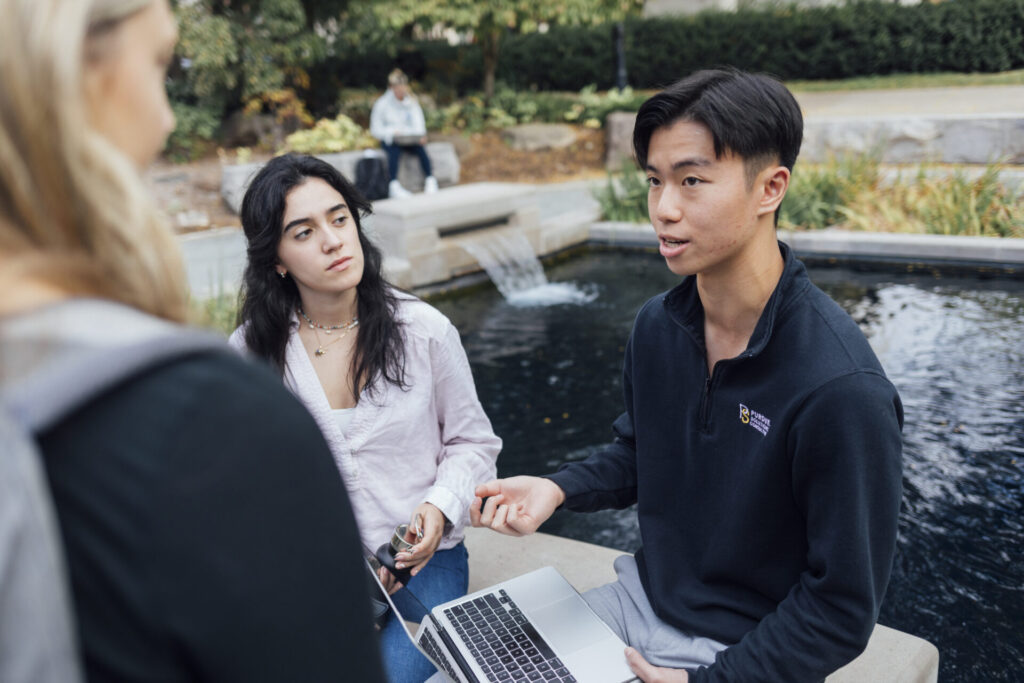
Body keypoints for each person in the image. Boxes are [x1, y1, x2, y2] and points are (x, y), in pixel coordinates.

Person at [471, 69, 904, 683]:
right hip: (636, 603)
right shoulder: (659, 326)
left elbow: (840, 607)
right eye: (654, 181)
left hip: (742, 650)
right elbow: (640, 450)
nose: (663, 209)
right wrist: (558, 488)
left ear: (770, 188)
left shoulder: (841, 388)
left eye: (692, 180)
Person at [0, 1, 386, 681]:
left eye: (339, 218)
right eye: (160, 65)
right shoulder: (209, 421)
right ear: (76, 81)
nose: (169, 119)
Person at [230, 153, 501, 683]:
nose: (333, 240)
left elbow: (474, 443)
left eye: (339, 218)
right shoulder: (250, 352)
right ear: (277, 259)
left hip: (422, 564)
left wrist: (439, 508)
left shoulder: (424, 331)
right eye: (303, 232)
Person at [370, 68, 438, 199]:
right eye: (397, 87)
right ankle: (394, 185)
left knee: (421, 149)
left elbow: (418, 123)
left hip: (410, 139)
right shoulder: (382, 104)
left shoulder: (411, 102)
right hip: (391, 139)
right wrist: (391, 132)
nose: (401, 90)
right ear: (391, 88)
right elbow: (376, 129)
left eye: (403, 87)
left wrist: (420, 135)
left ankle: (430, 179)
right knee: (393, 151)